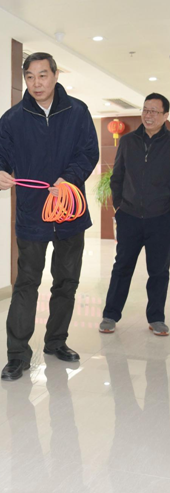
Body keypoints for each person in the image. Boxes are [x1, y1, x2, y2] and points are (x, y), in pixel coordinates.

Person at [0, 52, 99, 381]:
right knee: (26, 283)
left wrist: (69, 178)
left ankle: (56, 341)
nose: (37, 83)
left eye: (43, 75)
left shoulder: (77, 112)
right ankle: (17, 355)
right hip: (32, 214)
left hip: (70, 212)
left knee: (66, 282)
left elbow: (89, 152)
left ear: (55, 75)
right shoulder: (13, 119)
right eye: (30, 77)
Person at [99, 93, 170, 337]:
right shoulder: (128, 141)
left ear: (165, 116)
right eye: (145, 110)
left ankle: (156, 318)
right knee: (122, 267)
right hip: (129, 216)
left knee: (159, 271)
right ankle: (110, 315)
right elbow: (117, 176)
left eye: (154, 111)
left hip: (161, 218)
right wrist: (119, 207)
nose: (148, 115)